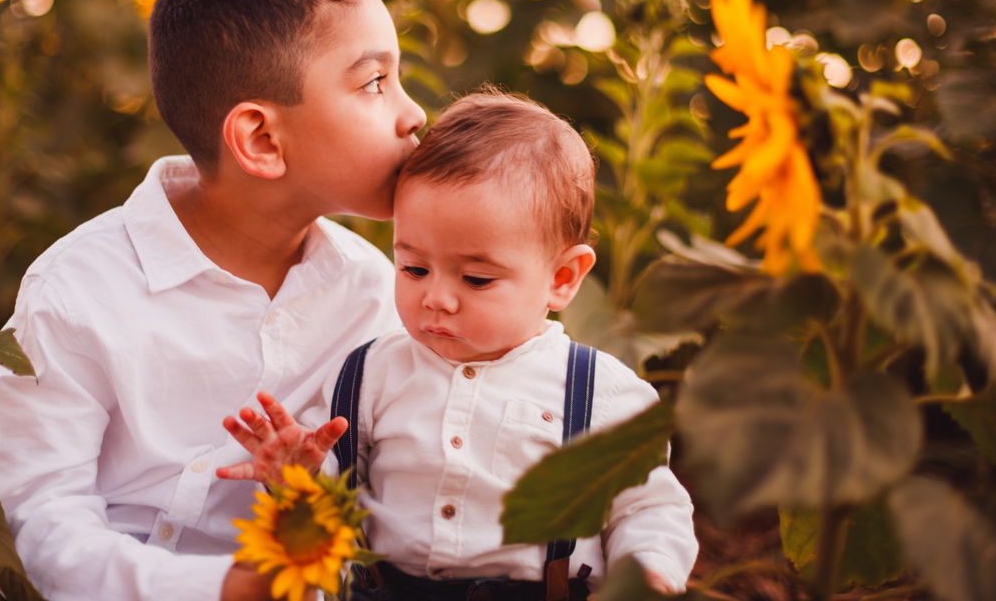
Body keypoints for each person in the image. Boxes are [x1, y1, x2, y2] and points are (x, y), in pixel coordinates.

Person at [0, 0, 427, 601]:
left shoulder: (377, 296)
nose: (413, 113)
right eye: (374, 83)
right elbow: (31, 522)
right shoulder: (76, 293)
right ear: (262, 139)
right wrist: (221, 587)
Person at [219, 90, 698, 599]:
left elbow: (646, 508)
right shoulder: (369, 372)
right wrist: (300, 477)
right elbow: (340, 488)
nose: (437, 298)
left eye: (475, 279)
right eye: (414, 269)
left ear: (562, 277)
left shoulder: (604, 393)